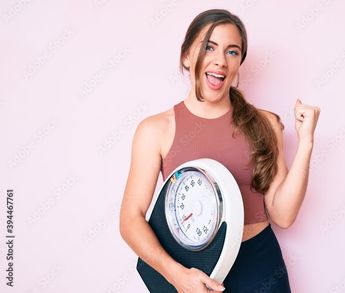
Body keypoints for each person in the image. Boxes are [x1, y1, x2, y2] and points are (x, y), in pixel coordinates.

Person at [119, 8, 320, 293]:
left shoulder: (264, 123)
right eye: (208, 47)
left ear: (240, 64)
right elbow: (130, 219)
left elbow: (283, 215)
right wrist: (176, 275)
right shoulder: (155, 131)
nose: (220, 61)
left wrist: (306, 142)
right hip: (192, 271)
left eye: (232, 52)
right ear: (187, 55)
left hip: (260, 266)